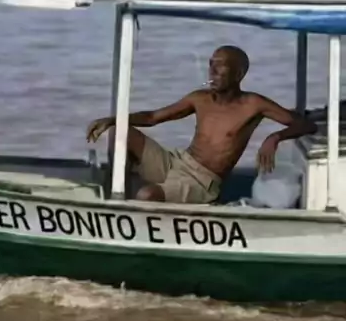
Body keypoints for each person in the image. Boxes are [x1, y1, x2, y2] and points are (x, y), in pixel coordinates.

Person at [86, 45, 317, 204]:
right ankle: (114, 201)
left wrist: (274, 137)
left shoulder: (253, 104)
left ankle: (140, 213)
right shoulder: (200, 98)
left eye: (221, 66)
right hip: (177, 162)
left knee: (147, 195)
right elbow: (153, 117)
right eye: (211, 65)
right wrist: (113, 119)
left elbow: (306, 125)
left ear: (238, 73)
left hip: (202, 181)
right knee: (120, 132)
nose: (213, 71)